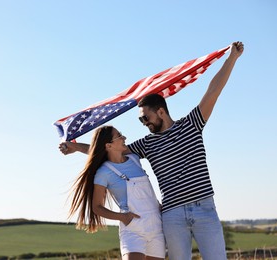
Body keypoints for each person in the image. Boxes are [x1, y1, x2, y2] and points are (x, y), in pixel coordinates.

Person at [60, 41, 244, 260]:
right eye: (140, 119)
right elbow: (109, 149)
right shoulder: (147, 144)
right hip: (172, 215)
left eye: (146, 117)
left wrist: (231, 58)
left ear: (161, 112)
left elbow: (214, 91)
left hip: (204, 208)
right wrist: (75, 147)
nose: (143, 122)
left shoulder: (192, 124)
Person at [68, 125, 165, 260]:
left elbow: (96, 149)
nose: (124, 138)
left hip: (156, 227)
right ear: (109, 146)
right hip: (133, 230)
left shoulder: (134, 159)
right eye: (119, 136)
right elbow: (97, 207)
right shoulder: (104, 173)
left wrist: (77, 147)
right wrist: (122, 217)